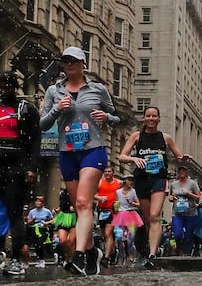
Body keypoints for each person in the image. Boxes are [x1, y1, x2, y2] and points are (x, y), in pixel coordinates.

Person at [40, 46, 120, 276]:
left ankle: (79, 256)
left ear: (83, 63)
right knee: (79, 207)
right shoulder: (54, 91)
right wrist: (57, 109)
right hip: (67, 152)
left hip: (92, 150)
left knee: (84, 202)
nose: (69, 64)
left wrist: (106, 116)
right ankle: (93, 251)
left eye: (74, 60)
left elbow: (117, 118)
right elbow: (43, 124)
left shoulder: (98, 89)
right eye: (65, 60)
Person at [0, 71, 41, 276]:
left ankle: (16, 259)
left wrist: (31, 167)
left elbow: (35, 141)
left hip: (17, 161)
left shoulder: (27, 110)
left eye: (7, 87)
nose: (3, 91)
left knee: (14, 210)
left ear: (14, 87)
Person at [119, 106, 187, 268]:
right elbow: (121, 156)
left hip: (159, 178)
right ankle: (151, 246)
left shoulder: (165, 138)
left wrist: (184, 158)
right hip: (142, 179)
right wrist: (133, 159)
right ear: (144, 118)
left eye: (154, 116)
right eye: (148, 116)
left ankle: (152, 253)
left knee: (155, 215)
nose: (150, 118)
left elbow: (179, 157)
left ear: (158, 119)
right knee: (148, 218)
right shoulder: (136, 136)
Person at [168, 165, 201, 256]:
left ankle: (187, 253)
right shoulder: (174, 184)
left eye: (183, 170)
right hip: (177, 213)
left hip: (191, 214)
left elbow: (199, 198)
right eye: (180, 171)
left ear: (187, 172)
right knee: (178, 234)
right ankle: (179, 247)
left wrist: (189, 194)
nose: (181, 172)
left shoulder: (192, 184)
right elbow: (170, 196)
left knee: (188, 235)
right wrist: (171, 198)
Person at [111, 174, 144, 261]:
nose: (131, 182)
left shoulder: (133, 191)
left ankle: (130, 254)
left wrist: (132, 203)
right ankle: (122, 254)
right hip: (120, 215)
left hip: (131, 215)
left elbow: (139, 204)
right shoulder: (118, 192)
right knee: (118, 236)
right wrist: (115, 206)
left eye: (131, 180)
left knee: (130, 238)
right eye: (129, 180)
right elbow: (116, 202)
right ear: (124, 181)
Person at [94, 166, 119, 266]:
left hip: (113, 211)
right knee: (106, 235)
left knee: (108, 233)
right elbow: (92, 193)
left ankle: (106, 258)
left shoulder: (119, 183)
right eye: (105, 171)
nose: (107, 173)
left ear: (113, 173)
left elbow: (126, 189)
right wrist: (99, 198)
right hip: (101, 211)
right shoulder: (100, 182)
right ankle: (113, 252)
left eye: (109, 171)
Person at [47, 188, 76, 269]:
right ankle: (69, 257)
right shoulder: (63, 193)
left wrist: (75, 207)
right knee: (62, 240)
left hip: (74, 217)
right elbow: (61, 205)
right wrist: (56, 210)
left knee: (71, 241)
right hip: (63, 217)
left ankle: (72, 259)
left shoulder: (78, 191)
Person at [26, 196, 54, 268]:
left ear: (42, 203)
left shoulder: (47, 211)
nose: (38, 203)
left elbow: (52, 220)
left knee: (40, 243)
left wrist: (46, 223)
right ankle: (39, 259)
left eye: (39, 201)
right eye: (37, 201)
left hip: (43, 229)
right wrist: (32, 219)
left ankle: (42, 259)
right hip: (34, 229)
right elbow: (28, 222)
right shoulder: (32, 211)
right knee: (36, 245)